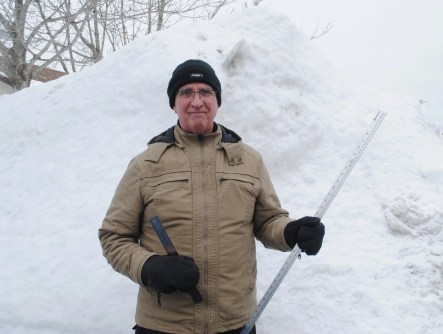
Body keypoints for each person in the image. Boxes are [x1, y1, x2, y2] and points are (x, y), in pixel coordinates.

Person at [98, 59, 325, 334]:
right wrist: (149, 267)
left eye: (205, 92)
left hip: (234, 323)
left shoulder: (248, 160)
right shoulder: (145, 165)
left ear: (217, 101)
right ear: (174, 103)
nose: (196, 101)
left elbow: (268, 222)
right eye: (186, 92)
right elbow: (114, 237)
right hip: (163, 326)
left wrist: (291, 231)